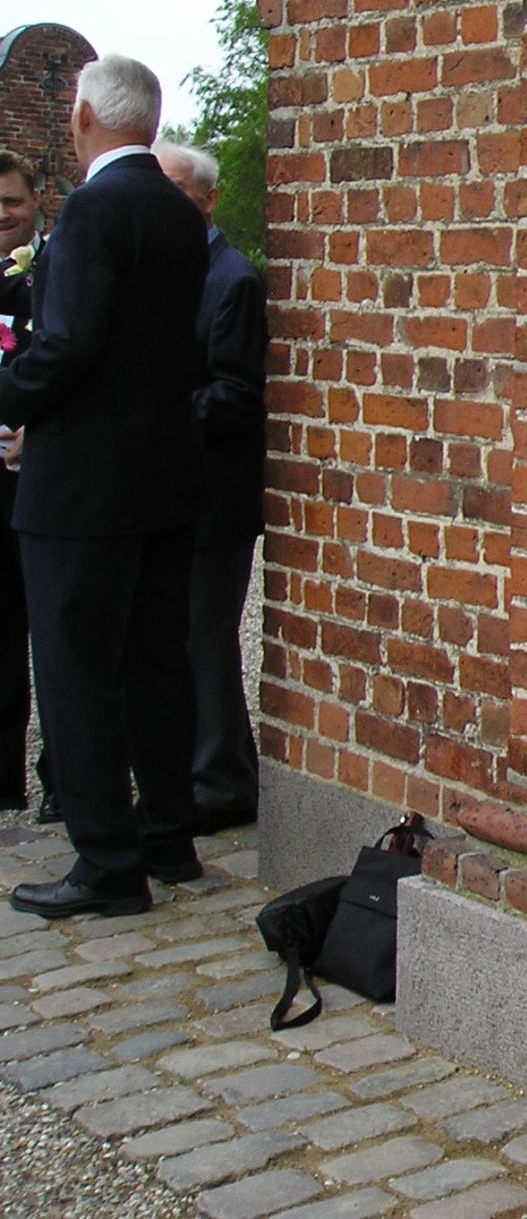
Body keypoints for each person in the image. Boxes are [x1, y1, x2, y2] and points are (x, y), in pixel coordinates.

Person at [0, 55, 209, 918]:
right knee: (156, 662)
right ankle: (168, 837)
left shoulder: (93, 207)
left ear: (83, 116)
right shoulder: (177, 211)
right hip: (162, 475)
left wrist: (8, 395)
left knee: (77, 672)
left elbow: (69, 343)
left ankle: (107, 863)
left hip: (83, 485)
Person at [156, 141, 266, 832]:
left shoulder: (233, 279)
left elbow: (237, 395)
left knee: (206, 640)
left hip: (215, 498)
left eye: (175, 187)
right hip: (171, 493)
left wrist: (151, 411)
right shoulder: (169, 270)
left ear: (208, 198)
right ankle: (207, 771)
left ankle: (222, 785)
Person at [0, 148, 42, 814]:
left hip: (34, 477)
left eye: (10, 201)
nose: (2, 215)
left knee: (51, 637)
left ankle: (61, 779)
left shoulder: (49, 275)